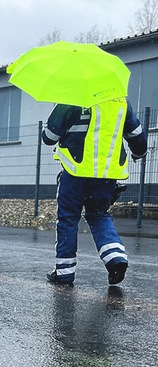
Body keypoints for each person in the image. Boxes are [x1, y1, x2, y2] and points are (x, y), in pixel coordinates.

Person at [42, 96, 147, 286]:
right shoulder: (120, 102)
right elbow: (137, 136)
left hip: (75, 172)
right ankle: (116, 258)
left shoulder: (71, 99)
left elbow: (49, 138)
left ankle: (64, 273)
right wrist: (138, 153)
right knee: (99, 215)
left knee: (68, 219)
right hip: (106, 177)